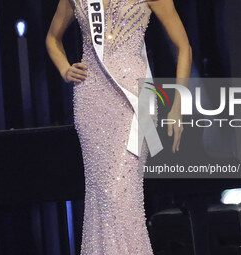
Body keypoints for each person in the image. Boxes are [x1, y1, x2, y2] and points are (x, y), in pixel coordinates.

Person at [46, 0, 192, 254]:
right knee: (101, 197)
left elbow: (184, 48)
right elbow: (52, 37)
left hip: (137, 99)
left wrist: (177, 106)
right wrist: (64, 69)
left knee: (122, 195)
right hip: (91, 100)